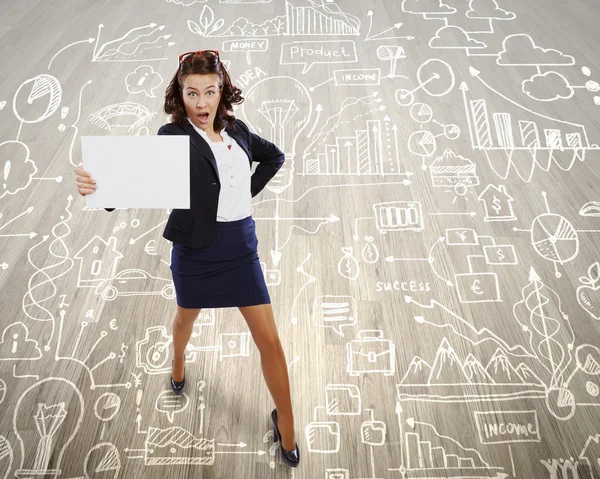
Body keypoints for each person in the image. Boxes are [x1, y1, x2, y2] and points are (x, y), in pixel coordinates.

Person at [74, 49, 300, 467]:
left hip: (239, 250)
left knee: (269, 339)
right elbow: (138, 179)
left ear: (221, 91)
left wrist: (241, 195)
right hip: (196, 250)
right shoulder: (173, 136)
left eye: (209, 92)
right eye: (192, 93)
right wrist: (98, 187)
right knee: (185, 317)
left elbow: (274, 157)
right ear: (180, 93)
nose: (201, 103)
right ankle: (178, 364)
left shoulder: (240, 131)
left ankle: (286, 424)